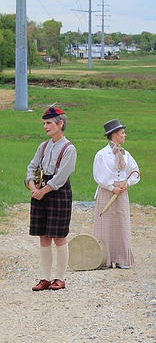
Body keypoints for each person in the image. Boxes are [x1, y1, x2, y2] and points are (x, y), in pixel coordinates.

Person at [26, 105, 77, 291]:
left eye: (48, 123)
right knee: (43, 236)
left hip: (58, 192)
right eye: (44, 123)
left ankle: (60, 279)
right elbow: (31, 167)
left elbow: (61, 177)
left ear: (60, 123)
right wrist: (32, 186)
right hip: (39, 190)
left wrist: (42, 191)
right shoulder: (43, 146)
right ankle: (45, 278)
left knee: (59, 236)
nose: (45, 126)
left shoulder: (69, 149)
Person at [93, 119, 140, 269]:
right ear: (114, 135)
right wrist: (111, 187)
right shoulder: (102, 154)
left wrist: (127, 183)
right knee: (105, 224)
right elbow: (99, 174)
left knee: (122, 223)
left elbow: (134, 170)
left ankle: (121, 258)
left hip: (121, 193)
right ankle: (104, 259)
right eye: (122, 133)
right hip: (107, 192)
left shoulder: (126, 154)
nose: (124, 135)